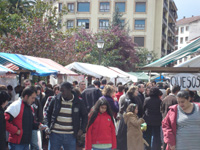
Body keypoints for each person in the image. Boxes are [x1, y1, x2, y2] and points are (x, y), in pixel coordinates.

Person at [44, 82, 88, 150]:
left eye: (63, 90)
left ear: (69, 89)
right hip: (55, 134)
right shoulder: (55, 100)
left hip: (71, 135)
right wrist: (47, 126)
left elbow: (85, 116)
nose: (61, 92)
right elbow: (48, 113)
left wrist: (82, 129)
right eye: (60, 90)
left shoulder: (78, 102)